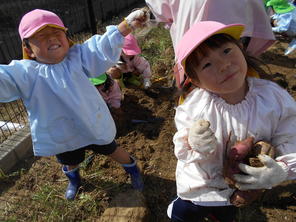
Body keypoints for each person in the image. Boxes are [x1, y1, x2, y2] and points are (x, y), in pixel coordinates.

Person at [0, 8, 148, 200]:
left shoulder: (77, 57)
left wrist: (126, 26)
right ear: (28, 49)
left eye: (56, 32)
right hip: (63, 132)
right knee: (69, 160)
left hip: (91, 123)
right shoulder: (27, 73)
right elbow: (5, 78)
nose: (52, 38)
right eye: (42, 36)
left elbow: (99, 48)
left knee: (110, 148)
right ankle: (75, 179)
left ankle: (132, 168)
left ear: (66, 37)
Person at [167, 21, 296, 222]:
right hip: (201, 184)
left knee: (227, 212)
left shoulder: (273, 98)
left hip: (240, 186)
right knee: (186, 213)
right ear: (196, 80)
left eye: (227, 51)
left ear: (241, 49)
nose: (224, 65)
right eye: (207, 64)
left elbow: (289, 134)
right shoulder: (194, 106)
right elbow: (181, 141)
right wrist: (192, 140)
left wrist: (281, 169)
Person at [145, 0, 276, 87]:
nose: (223, 65)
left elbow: (162, 12)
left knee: (205, 65)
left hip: (198, 25)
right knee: (235, 63)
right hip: (240, 15)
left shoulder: (273, 98)